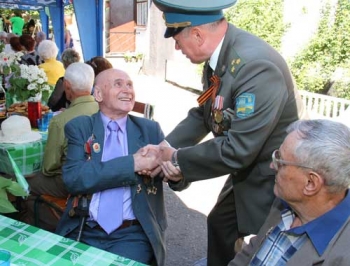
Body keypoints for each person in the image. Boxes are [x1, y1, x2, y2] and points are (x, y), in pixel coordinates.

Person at [146, 1, 307, 265]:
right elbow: (205, 113)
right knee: (221, 224)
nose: (176, 48)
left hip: (276, 174)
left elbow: (238, 149)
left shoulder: (255, 66)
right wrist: (164, 145)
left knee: (274, 247)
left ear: (197, 35)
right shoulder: (221, 58)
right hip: (250, 166)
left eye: (177, 39)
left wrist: (176, 159)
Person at [55, 68, 167, 265]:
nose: (127, 90)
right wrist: (133, 163)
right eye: (118, 84)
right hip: (84, 229)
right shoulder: (81, 127)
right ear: (98, 94)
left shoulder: (149, 130)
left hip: (132, 235)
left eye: (130, 84)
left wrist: (176, 171)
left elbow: (178, 179)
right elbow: (74, 179)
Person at [229, 119, 350, 266]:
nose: (272, 165)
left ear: (310, 183)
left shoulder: (343, 256)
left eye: (280, 161)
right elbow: (252, 251)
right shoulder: (287, 201)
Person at [20, 62, 99, 231]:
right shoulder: (105, 110)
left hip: (73, 183)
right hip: (100, 178)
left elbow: (49, 167)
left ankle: (37, 226)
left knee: (23, 181)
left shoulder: (61, 120)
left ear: (67, 86)